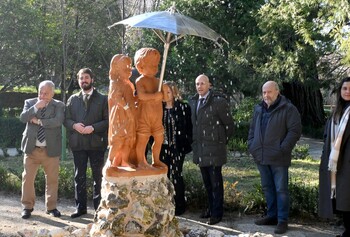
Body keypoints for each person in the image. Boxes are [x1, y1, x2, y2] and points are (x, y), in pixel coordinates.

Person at [248, 81, 302, 234]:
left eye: (269, 92)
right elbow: (252, 130)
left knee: (281, 190)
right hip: (261, 156)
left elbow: (295, 131)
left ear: (277, 92)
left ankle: (282, 220)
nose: (266, 95)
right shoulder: (258, 109)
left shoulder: (288, 109)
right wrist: (252, 145)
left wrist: (282, 148)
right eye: (264, 92)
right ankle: (272, 216)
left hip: (279, 157)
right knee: (268, 188)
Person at [189, 74, 234, 225]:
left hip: (215, 150)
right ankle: (210, 208)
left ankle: (217, 213)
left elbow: (229, 125)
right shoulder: (194, 102)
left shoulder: (218, 102)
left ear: (209, 85)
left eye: (202, 83)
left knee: (216, 184)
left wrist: (219, 141)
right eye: (197, 84)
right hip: (201, 150)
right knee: (207, 183)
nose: (199, 86)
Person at [64, 68, 108, 218]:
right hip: (78, 144)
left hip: (97, 144)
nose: (84, 80)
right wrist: (74, 125)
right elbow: (66, 119)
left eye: (86, 77)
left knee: (98, 177)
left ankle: (99, 209)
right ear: (78, 81)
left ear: (92, 79)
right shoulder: (72, 99)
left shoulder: (103, 99)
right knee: (79, 177)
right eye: (81, 78)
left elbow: (109, 121)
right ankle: (80, 208)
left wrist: (93, 128)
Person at [19, 80, 65, 219]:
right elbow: (23, 117)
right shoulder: (30, 102)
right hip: (31, 149)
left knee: (52, 180)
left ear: (52, 93)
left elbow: (57, 121)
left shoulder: (59, 105)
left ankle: (51, 208)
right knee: (27, 179)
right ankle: (27, 207)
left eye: (46, 93)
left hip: (50, 149)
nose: (42, 95)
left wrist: (38, 121)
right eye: (40, 92)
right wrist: (35, 108)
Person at [319, 77, 350, 237]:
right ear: (340, 91)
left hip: (347, 161)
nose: (347, 92)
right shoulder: (337, 111)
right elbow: (327, 134)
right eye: (345, 88)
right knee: (342, 197)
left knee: (347, 196)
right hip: (336, 162)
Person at [161, 81, 193, 216]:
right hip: (163, 148)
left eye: (168, 92)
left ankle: (180, 204)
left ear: (174, 93)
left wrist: (185, 144)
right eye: (163, 92)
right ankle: (165, 203)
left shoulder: (183, 107)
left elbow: (189, 128)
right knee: (163, 176)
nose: (165, 95)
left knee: (176, 175)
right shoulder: (159, 108)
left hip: (177, 147)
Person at [134, 47, 166, 169]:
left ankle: (156, 160)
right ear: (140, 67)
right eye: (151, 65)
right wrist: (155, 96)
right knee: (143, 139)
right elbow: (141, 96)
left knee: (159, 139)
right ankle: (141, 161)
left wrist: (163, 93)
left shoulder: (158, 81)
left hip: (157, 117)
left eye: (156, 64)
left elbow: (164, 95)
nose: (155, 67)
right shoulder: (140, 81)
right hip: (144, 117)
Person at [107, 54, 137, 170]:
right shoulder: (115, 82)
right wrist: (127, 109)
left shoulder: (128, 83)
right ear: (117, 68)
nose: (129, 69)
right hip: (120, 114)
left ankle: (124, 161)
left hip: (130, 114)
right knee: (118, 139)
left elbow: (130, 97)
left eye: (130, 66)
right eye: (126, 66)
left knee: (128, 139)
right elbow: (116, 97)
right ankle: (110, 161)